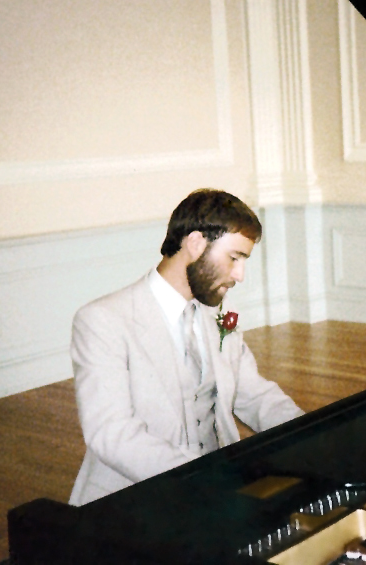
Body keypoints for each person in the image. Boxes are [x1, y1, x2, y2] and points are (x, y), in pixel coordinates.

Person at [68, 189, 304, 506]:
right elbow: (112, 435)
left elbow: (254, 395)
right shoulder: (104, 320)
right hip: (135, 501)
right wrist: (203, 481)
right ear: (195, 243)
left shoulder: (214, 312)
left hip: (214, 493)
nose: (240, 275)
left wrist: (313, 437)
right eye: (234, 258)